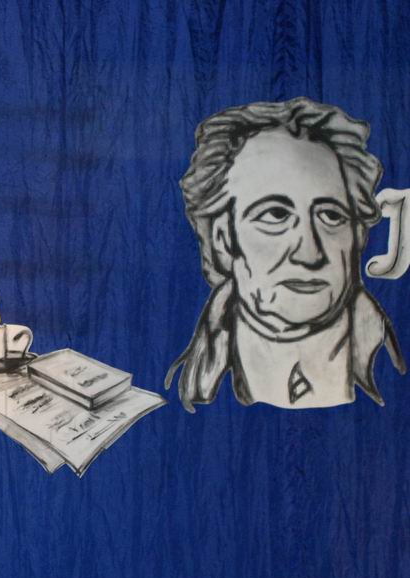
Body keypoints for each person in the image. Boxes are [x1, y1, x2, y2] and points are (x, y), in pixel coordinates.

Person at [165, 98, 405, 410]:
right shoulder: (185, 385)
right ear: (222, 240)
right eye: (275, 215)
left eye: (331, 216)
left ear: (358, 236)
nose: (309, 253)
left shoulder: (394, 366)